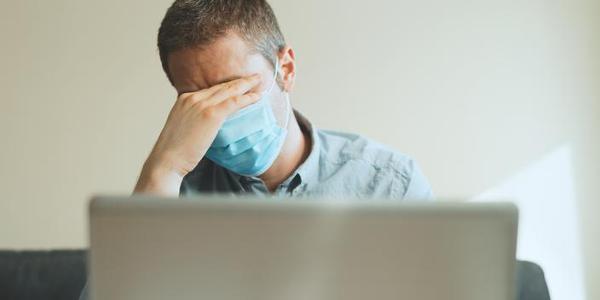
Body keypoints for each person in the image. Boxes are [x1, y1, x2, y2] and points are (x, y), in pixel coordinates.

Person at [79, 1, 433, 297]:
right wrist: (165, 168)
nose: (219, 112)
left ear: (286, 70)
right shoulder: (171, 194)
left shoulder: (389, 184)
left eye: (235, 89)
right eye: (197, 102)